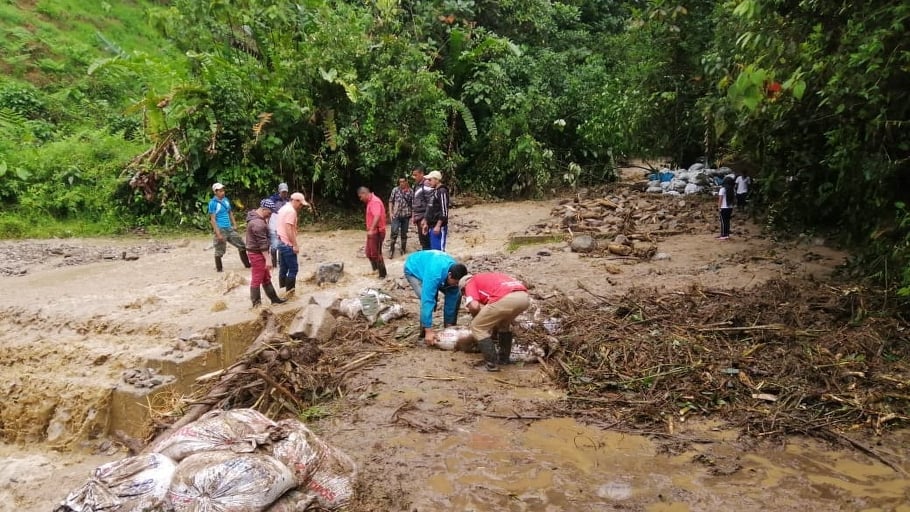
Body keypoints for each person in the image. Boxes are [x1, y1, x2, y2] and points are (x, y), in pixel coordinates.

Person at [458, 273, 530, 372]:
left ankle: (491, 364)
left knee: (477, 326)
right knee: (503, 324)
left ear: (463, 289)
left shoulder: (469, 283)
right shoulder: (488, 276)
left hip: (506, 298)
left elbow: (474, 306)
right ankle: (504, 359)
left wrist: (478, 319)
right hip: (523, 297)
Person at [403, 250, 467, 343]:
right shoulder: (434, 275)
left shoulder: (455, 272)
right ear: (449, 275)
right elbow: (427, 300)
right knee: (426, 297)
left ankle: (449, 325)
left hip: (433, 265)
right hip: (414, 269)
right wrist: (429, 330)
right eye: (456, 282)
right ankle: (425, 332)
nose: (457, 284)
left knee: (456, 293)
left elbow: (452, 300)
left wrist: (449, 327)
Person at [245, 199, 286, 307]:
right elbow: (262, 243)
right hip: (257, 254)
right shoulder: (258, 224)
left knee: (265, 277)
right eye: (270, 212)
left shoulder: (256, 218)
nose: (271, 214)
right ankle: (257, 305)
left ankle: (274, 299)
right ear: (264, 209)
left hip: (257, 252)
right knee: (257, 279)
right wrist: (268, 259)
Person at [207, 182, 250, 272]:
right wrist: (218, 234)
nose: (223, 192)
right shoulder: (213, 203)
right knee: (219, 250)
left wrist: (234, 224)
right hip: (221, 228)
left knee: (242, 245)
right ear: (215, 192)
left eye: (223, 190)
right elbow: (213, 219)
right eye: (220, 191)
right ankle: (219, 269)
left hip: (229, 228)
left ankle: (247, 265)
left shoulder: (226, 200)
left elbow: (230, 213)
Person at [276, 192, 310, 295]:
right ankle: (290, 294)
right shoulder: (291, 212)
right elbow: (288, 229)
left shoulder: (283, 208)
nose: (301, 207)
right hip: (287, 244)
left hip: (280, 242)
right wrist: (294, 245)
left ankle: (282, 290)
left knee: (283, 268)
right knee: (293, 269)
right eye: (300, 204)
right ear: (295, 201)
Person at [357, 186, 388, 279]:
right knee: (369, 253)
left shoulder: (374, 201)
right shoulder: (370, 201)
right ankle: (375, 271)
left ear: (364, 193)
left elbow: (377, 216)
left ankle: (382, 275)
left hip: (377, 232)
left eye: (360, 197)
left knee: (376, 254)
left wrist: (371, 229)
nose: (360, 199)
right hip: (373, 232)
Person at [424, 170, 450, 251]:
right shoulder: (435, 191)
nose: (429, 182)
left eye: (430, 180)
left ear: (436, 180)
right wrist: (426, 222)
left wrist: (438, 225)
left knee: (439, 251)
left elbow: (444, 210)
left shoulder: (442, 191)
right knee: (434, 250)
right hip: (432, 225)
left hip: (438, 226)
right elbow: (431, 208)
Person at [387, 177, 413, 258]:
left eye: (403, 182)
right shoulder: (395, 190)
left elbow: (413, 203)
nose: (401, 183)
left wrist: (413, 215)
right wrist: (390, 213)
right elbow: (391, 201)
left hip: (406, 215)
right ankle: (391, 250)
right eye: (400, 182)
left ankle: (403, 249)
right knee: (394, 232)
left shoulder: (411, 191)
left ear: (406, 182)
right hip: (396, 215)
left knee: (404, 233)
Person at [268, 183, 290, 268]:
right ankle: (274, 265)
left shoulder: (288, 201)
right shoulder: (272, 200)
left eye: (285, 192)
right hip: (273, 223)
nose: (284, 193)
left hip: (283, 225)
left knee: (282, 244)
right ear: (279, 191)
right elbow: (268, 213)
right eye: (282, 192)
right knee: (274, 245)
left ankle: (281, 263)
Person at [411, 165, 433, 251]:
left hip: (424, 217)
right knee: (422, 240)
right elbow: (414, 201)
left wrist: (425, 219)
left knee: (426, 240)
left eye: (415, 175)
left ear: (421, 174)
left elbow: (430, 202)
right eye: (413, 175)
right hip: (418, 216)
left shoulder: (426, 184)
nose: (414, 177)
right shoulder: (416, 185)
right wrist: (414, 216)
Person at [717, 176, 735, 240]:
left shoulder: (722, 189)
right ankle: (727, 234)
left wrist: (719, 207)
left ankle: (723, 235)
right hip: (730, 207)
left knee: (723, 222)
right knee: (727, 221)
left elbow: (720, 199)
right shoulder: (732, 190)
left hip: (723, 208)